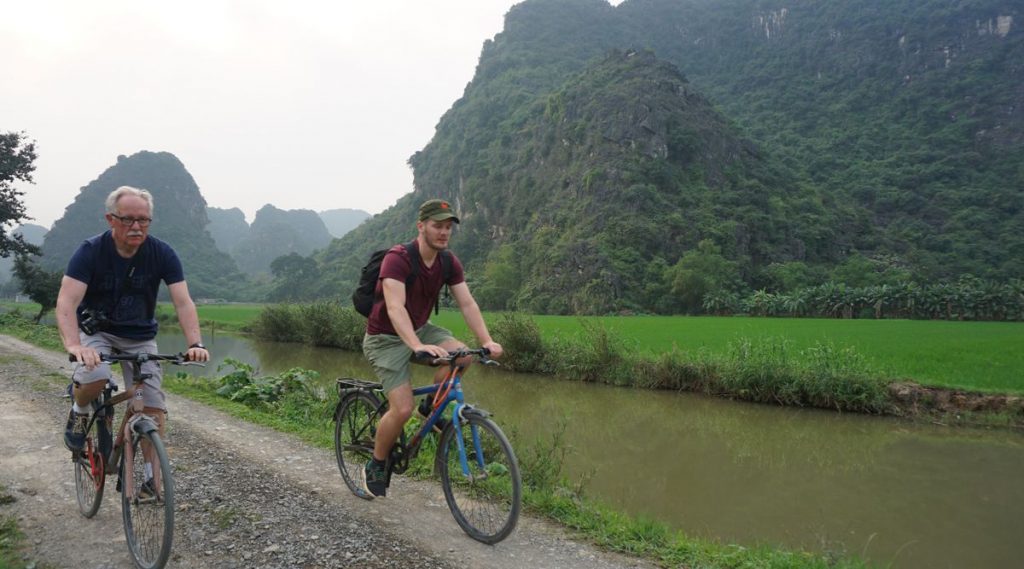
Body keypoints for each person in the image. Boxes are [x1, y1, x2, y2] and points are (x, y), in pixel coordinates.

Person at [360, 198, 503, 499]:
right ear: (421, 226)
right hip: (385, 337)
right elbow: (395, 307)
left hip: (422, 329)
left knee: (464, 356)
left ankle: (432, 407)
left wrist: (487, 341)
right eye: (437, 226)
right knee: (401, 408)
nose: (443, 232)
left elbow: (467, 303)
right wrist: (416, 345)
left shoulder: (448, 262)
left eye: (448, 227)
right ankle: (375, 463)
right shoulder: (397, 259)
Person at [56, 186, 210, 456]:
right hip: (98, 332)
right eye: (128, 219)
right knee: (96, 373)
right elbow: (67, 302)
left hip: (140, 337)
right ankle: (79, 410)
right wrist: (74, 345)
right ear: (111, 219)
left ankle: (152, 480)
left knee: (152, 407)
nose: (137, 226)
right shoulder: (91, 251)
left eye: (143, 220)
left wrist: (195, 342)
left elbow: (183, 302)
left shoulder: (162, 253)